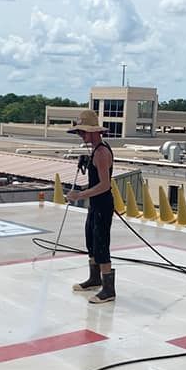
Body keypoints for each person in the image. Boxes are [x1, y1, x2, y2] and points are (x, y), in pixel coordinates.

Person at [66, 109, 116, 304]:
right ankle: (94, 279)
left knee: (101, 244)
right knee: (91, 240)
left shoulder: (102, 152)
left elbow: (105, 185)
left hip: (103, 205)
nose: (81, 136)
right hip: (95, 205)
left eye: (82, 132)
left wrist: (79, 195)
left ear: (93, 132)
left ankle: (109, 289)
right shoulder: (95, 151)